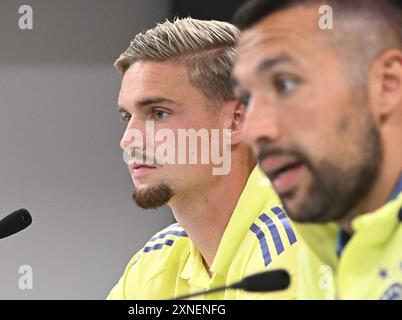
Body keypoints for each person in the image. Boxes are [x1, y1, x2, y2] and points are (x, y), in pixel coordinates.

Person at [107, 18, 299, 299]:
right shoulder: (156, 260)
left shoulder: (295, 244)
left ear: (236, 121)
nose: (128, 140)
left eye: (158, 113)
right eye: (127, 116)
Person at [233, 0, 402, 299]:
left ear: (387, 84)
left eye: (284, 84)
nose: (252, 130)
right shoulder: (317, 247)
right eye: (247, 100)